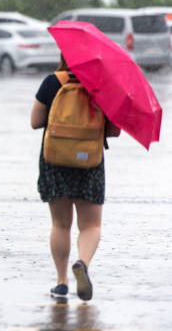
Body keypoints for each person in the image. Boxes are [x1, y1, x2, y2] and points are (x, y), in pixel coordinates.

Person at [30, 55, 120, 301]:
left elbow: (35, 121)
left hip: (55, 160)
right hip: (89, 161)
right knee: (90, 225)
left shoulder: (52, 82)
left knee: (61, 225)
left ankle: (61, 282)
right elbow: (114, 130)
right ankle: (82, 262)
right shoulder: (102, 86)